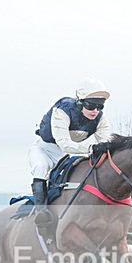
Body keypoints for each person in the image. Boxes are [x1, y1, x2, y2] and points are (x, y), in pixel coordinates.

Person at [28, 77, 112, 234]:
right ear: (79, 102)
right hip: (44, 149)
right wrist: (92, 148)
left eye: (100, 106)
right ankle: (41, 212)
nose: (95, 110)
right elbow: (64, 144)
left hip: (65, 154)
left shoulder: (100, 118)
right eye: (91, 105)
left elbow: (107, 143)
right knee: (41, 167)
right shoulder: (62, 110)